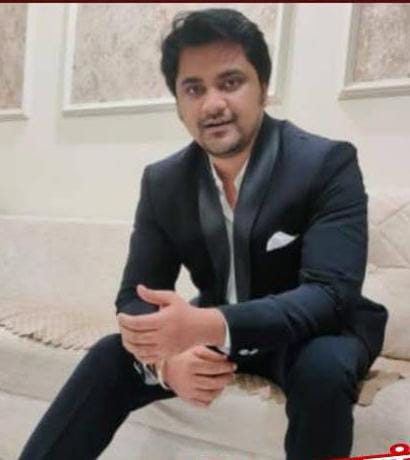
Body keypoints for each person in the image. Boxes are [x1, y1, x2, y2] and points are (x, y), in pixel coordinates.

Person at [19, 8, 388, 460]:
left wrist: (208, 325)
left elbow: (330, 295)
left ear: (263, 88)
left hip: (313, 332)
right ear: (178, 104)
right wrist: (167, 361)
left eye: (230, 82)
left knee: (323, 372)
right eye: (193, 89)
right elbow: (134, 296)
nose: (212, 104)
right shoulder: (163, 181)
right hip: (215, 327)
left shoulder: (325, 164)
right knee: (109, 356)